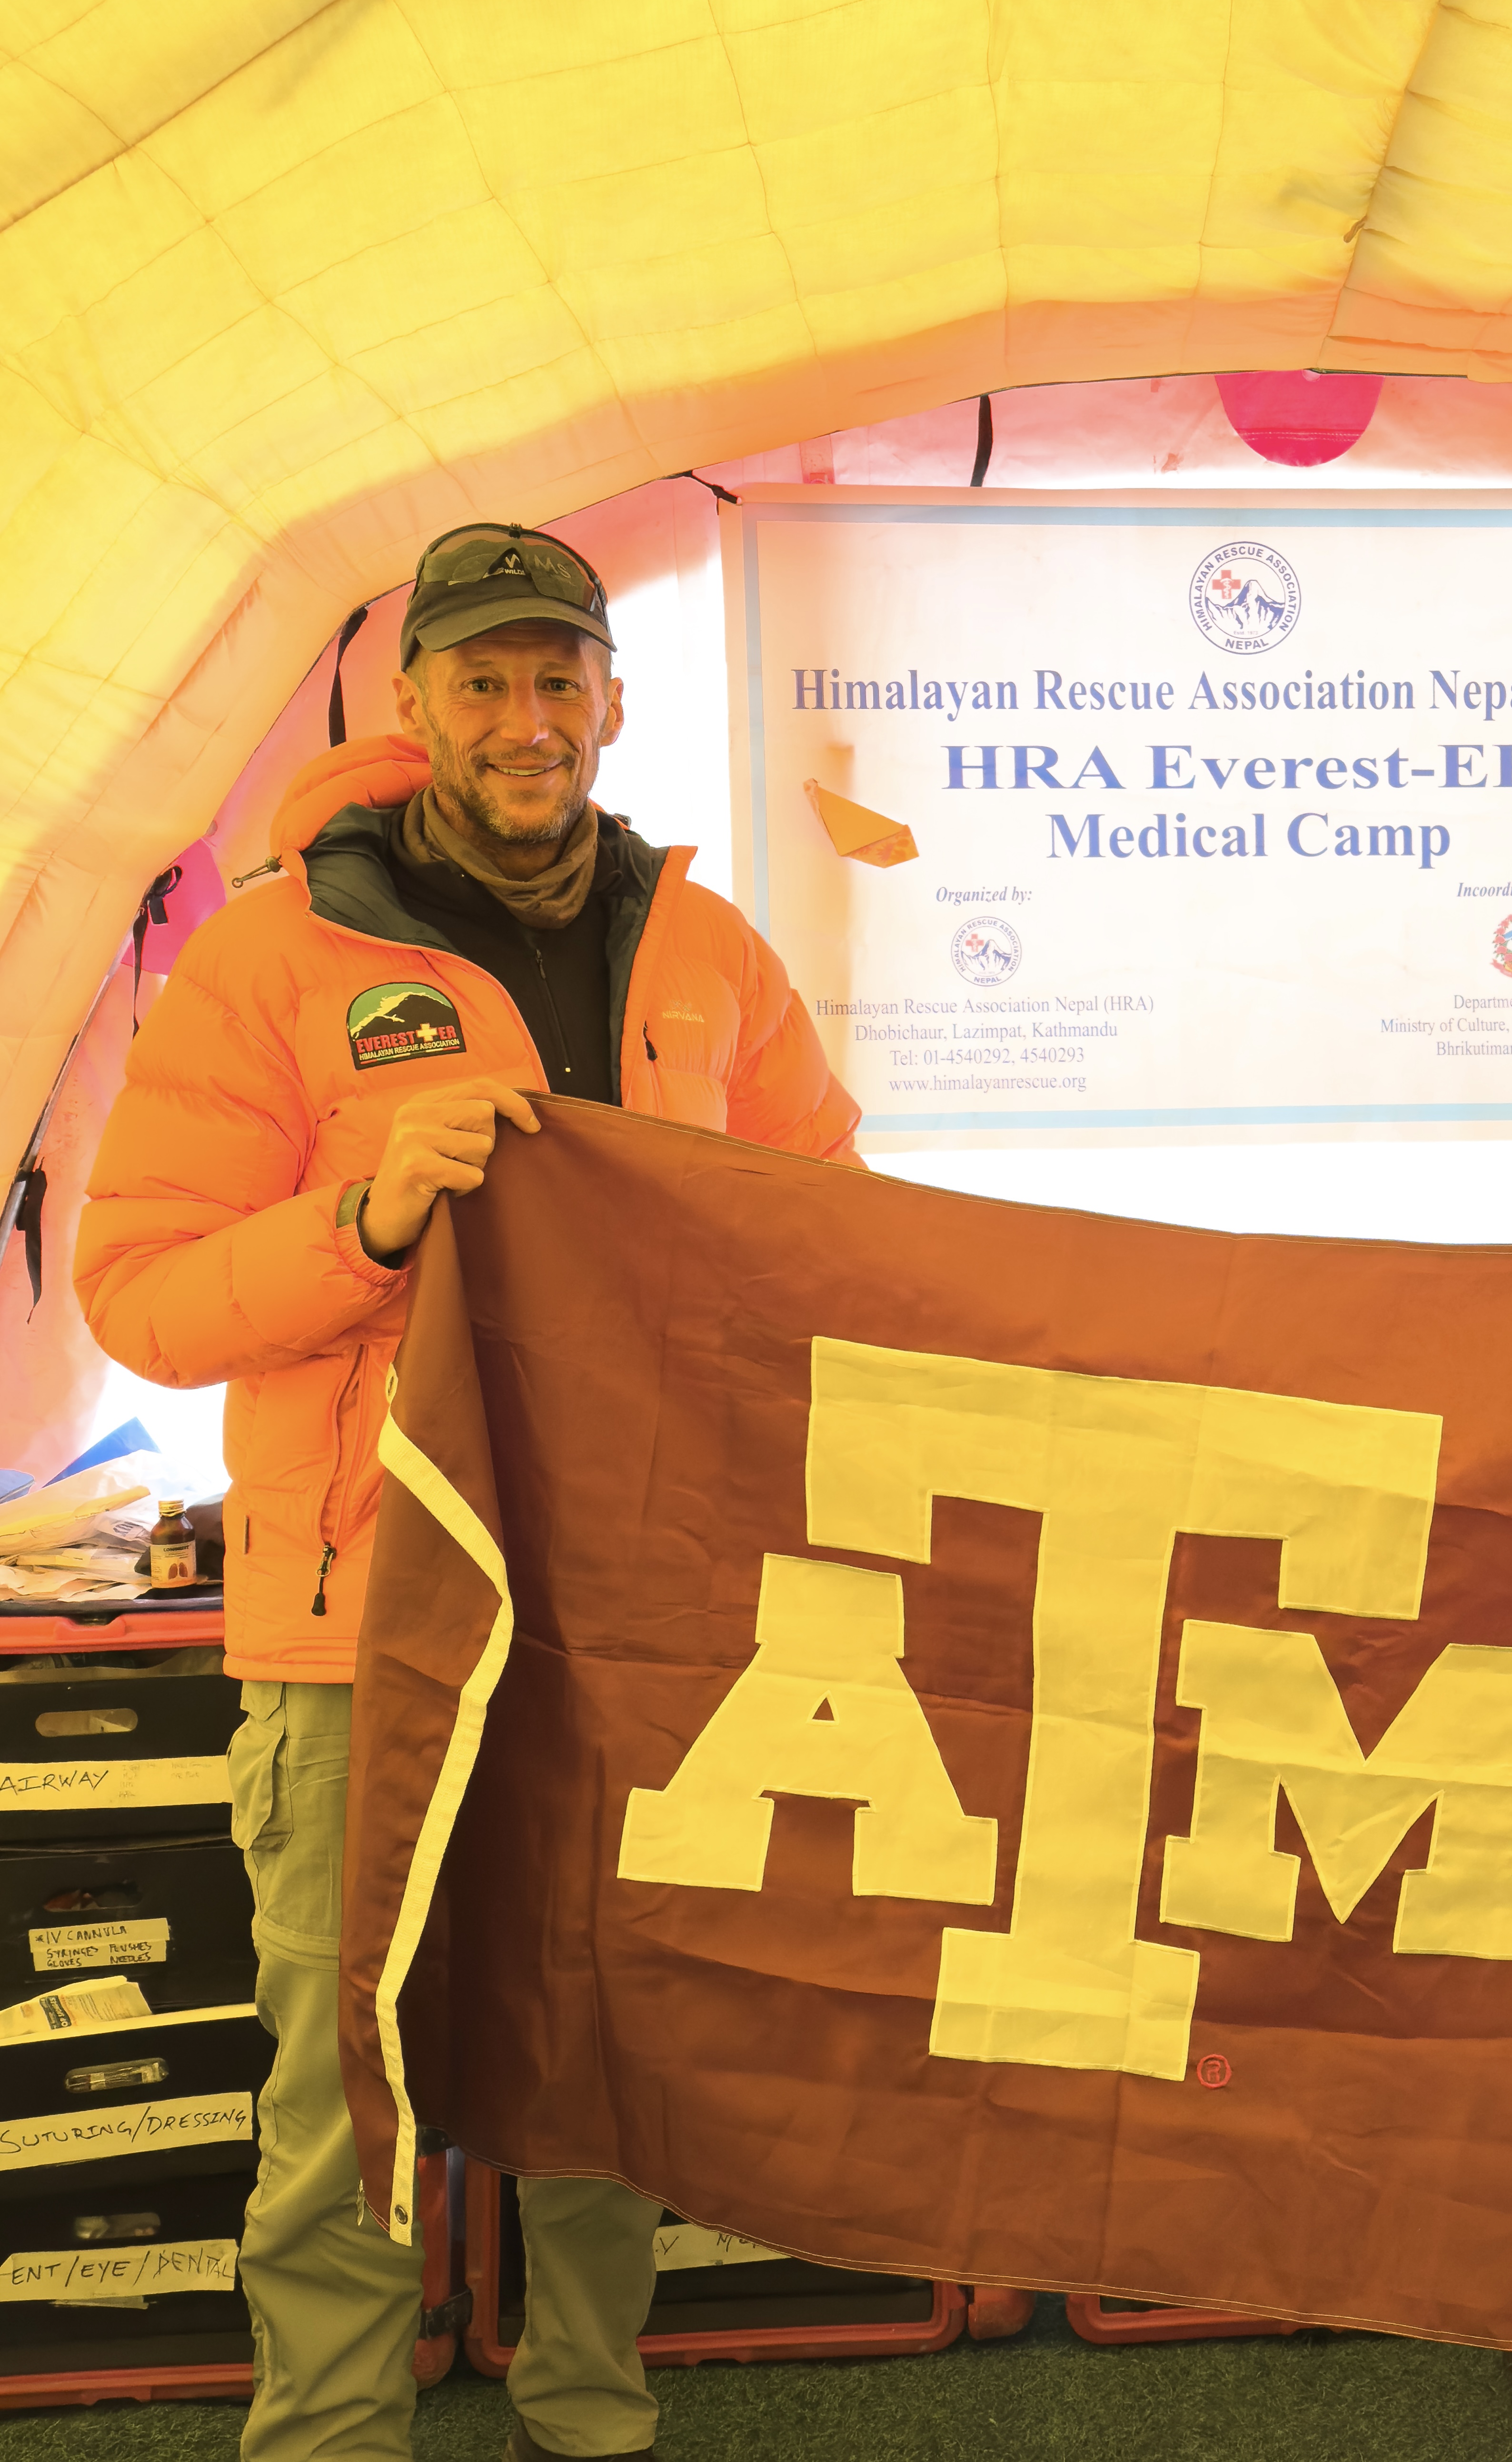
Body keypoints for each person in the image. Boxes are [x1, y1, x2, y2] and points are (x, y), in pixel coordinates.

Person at [78, 523, 862, 2462]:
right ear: (411, 703)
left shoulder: (711, 949)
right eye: (482, 681)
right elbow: (139, 1295)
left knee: (604, 2063)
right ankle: (332, 2437)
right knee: (345, 2097)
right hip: (361, 1626)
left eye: (555, 679)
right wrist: (360, 1221)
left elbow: (837, 1239)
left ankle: (592, 2425)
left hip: (629, 1619)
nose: (526, 720)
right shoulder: (269, 957)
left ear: (609, 697)